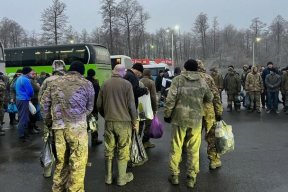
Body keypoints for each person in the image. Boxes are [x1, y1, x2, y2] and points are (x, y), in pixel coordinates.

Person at [41, 61, 94, 192]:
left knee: (61, 161)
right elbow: (90, 107)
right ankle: (74, 189)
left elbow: (44, 104)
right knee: (78, 160)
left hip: (58, 128)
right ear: (82, 72)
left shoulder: (54, 83)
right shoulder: (87, 84)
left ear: (69, 70)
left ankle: (58, 188)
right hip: (77, 129)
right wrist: (79, 115)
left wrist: (49, 120)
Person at [164, 59, 213, 188]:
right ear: (197, 68)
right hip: (196, 120)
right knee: (193, 149)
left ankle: (174, 175)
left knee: (176, 147)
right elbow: (209, 98)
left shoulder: (178, 80)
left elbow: (170, 98)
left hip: (179, 119)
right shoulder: (202, 81)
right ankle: (191, 178)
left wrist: (167, 114)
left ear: (185, 68)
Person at [97, 64, 137, 186]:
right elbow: (131, 106)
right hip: (124, 122)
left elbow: (99, 104)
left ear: (113, 71)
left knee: (109, 149)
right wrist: (134, 121)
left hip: (109, 122)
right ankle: (121, 178)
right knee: (123, 149)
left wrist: (106, 116)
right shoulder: (127, 84)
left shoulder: (105, 84)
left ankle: (108, 177)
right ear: (123, 73)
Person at [38, 60, 67, 178]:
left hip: (51, 118)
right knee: (64, 144)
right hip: (65, 120)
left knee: (49, 143)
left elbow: (41, 100)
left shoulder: (47, 81)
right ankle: (63, 170)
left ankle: (48, 171)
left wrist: (46, 119)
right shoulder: (69, 81)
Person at [197, 60, 223, 170]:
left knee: (192, 137)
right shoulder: (207, 78)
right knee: (212, 137)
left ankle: (192, 162)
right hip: (208, 112)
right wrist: (219, 112)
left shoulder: (184, 78)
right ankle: (214, 160)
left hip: (192, 112)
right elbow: (216, 95)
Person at [139, 69, 157, 149]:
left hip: (140, 106)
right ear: (149, 74)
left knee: (140, 123)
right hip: (148, 106)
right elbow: (153, 97)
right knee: (148, 123)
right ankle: (145, 141)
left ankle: (138, 141)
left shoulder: (139, 81)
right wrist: (155, 108)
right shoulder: (151, 82)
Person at [15, 67, 34, 142]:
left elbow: (14, 87)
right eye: (31, 72)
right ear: (28, 72)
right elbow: (30, 92)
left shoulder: (19, 78)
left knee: (22, 117)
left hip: (19, 99)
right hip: (24, 100)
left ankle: (22, 133)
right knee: (24, 118)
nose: (31, 74)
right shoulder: (26, 80)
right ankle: (22, 135)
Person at [86, 68, 102, 146]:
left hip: (84, 107)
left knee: (85, 123)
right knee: (93, 123)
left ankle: (84, 140)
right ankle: (94, 139)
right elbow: (98, 95)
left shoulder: (84, 82)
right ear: (94, 75)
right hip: (93, 107)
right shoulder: (95, 83)